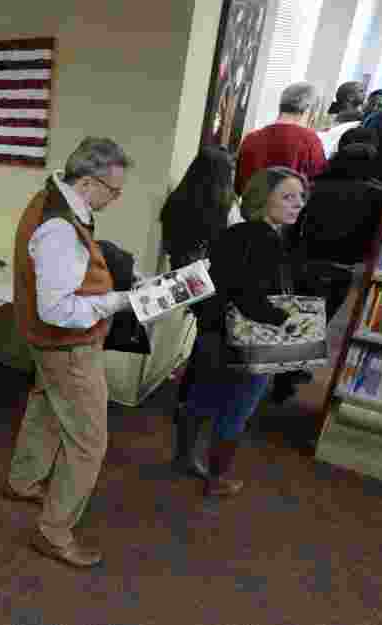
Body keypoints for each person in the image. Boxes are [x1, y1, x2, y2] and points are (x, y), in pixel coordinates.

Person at [6, 137, 134, 568]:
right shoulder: (60, 228)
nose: (117, 199)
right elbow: (58, 309)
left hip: (45, 344)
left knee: (46, 405)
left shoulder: (50, 195)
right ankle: (54, 532)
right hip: (68, 347)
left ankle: (24, 480)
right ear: (87, 183)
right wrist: (116, 301)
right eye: (113, 191)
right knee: (89, 442)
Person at [186, 166, 310, 496]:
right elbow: (252, 301)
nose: (298, 203)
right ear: (261, 199)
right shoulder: (268, 242)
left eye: (300, 196)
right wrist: (288, 321)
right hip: (248, 340)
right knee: (237, 409)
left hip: (212, 332)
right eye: (287, 197)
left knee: (201, 398)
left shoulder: (231, 233)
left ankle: (184, 458)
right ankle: (217, 479)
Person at [159, 145, 237, 479]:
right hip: (215, 284)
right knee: (208, 347)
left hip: (184, 281)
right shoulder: (224, 206)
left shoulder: (176, 201)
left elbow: (171, 246)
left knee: (201, 341)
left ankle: (184, 400)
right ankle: (189, 401)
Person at [290, 127, 382, 323]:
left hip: (308, 262)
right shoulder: (380, 194)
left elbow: (294, 224)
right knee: (323, 322)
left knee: (298, 320)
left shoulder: (314, 187)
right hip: (347, 268)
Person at [235, 82, 327, 195]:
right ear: (309, 110)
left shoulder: (251, 138)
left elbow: (239, 187)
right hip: (290, 211)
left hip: (252, 210)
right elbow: (319, 187)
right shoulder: (310, 141)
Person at [318, 81, 366, 158]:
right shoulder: (327, 116)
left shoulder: (363, 117)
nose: (365, 94)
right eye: (361, 91)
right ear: (350, 97)